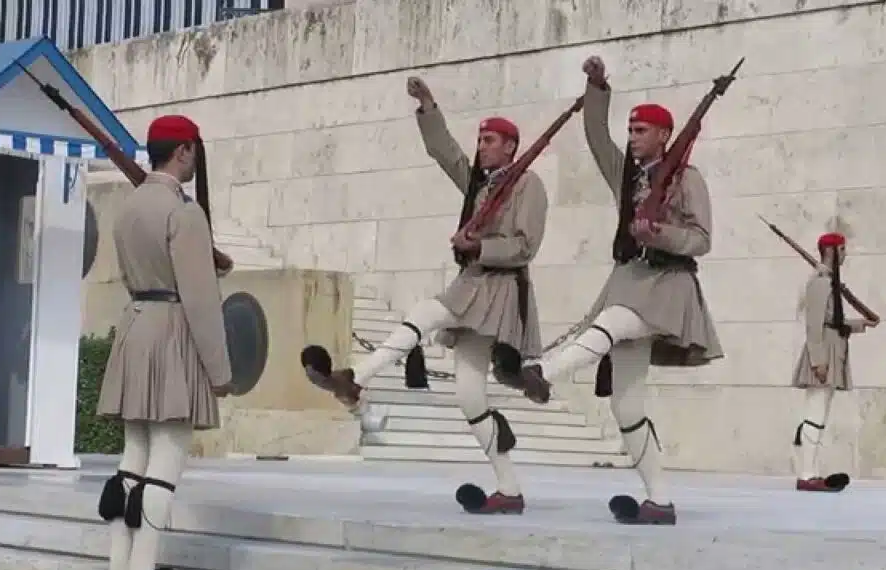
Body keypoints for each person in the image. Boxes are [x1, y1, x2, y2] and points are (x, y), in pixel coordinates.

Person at [301, 76, 550, 514]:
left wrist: (480, 246)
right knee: (470, 397)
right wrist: (428, 105)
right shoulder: (480, 184)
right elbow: (444, 152)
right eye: (481, 139)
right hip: (472, 284)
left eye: (490, 140)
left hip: (499, 289)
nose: (482, 146)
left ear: (511, 146)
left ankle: (357, 376)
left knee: (426, 312)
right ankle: (509, 490)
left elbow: (526, 246)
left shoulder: (528, 186)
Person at [493, 56, 724, 525]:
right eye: (633, 128)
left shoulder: (687, 178)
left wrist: (658, 235)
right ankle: (659, 501)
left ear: (664, 135)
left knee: (611, 323)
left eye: (642, 130)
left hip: (666, 287)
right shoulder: (629, 176)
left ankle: (542, 372)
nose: (633, 135)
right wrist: (597, 88)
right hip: (629, 280)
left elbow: (701, 238)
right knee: (626, 404)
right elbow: (597, 136)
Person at [95, 115, 233, 570]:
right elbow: (201, 298)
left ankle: (120, 566)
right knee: (167, 460)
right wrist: (220, 370)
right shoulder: (185, 212)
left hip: (135, 327)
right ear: (183, 151)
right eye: (194, 150)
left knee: (132, 460)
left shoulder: (130, 207)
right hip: (173, 331)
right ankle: (143, 567)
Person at [791, 232, 878, 492]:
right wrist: (818, 360)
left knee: (820, 413)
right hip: (824, 352)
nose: (845, 254)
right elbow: (814, 325)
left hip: (833, 348)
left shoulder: (829, 282)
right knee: (815, 412)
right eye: (842, 249)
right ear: (831, 251)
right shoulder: (820, 283)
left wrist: (861, 324)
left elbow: (834, 320)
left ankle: (812, 471)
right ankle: (806, 474)